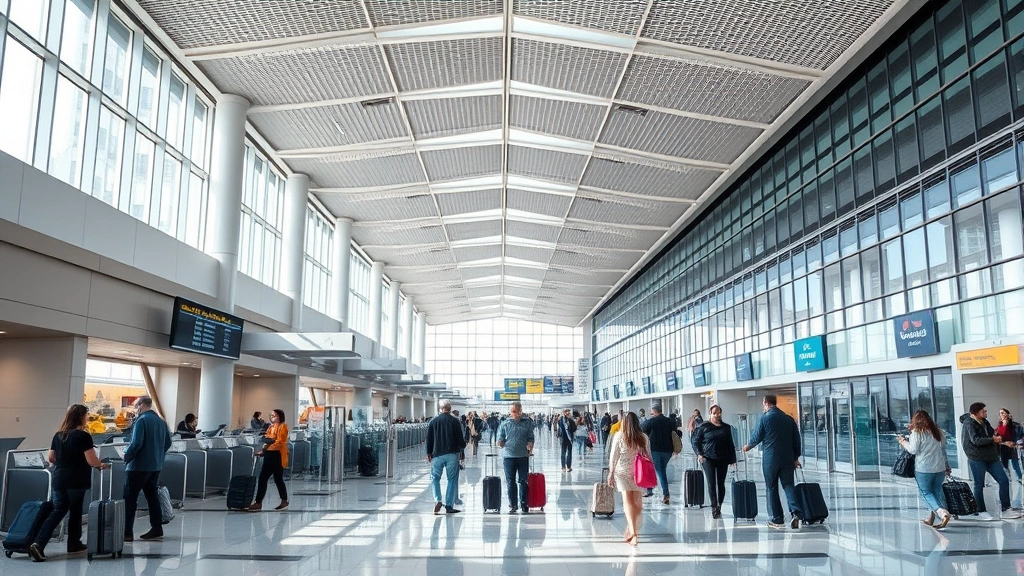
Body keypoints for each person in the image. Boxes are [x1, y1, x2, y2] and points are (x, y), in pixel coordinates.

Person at [27, 405, 110, 562]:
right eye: (86, 415)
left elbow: (51, 458)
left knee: (74, 511)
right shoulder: (83, 436)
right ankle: (38, 544)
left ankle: (74, 543)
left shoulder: (58, 435)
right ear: (80, 417)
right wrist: (101, 465)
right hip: (76, 481)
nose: (87, 418)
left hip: (60, 479)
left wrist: (66, 461)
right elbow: (91, 460)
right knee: (60, 511)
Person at [742, 394, 803, 529]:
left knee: (771, 487)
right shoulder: (789, 419)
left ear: (765, 402)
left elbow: (757, 436)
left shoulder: (765, 418)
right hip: (787, 459)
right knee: (788, 486)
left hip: (771, 459)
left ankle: (777, 519)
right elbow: (796, 440)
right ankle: (795, 511)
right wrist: (795, 458)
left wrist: (748, 446)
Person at [123, 396, 172, 541]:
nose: (135, 409)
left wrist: (126, 456)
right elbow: (168, 443)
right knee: (152, 497)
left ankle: (127, 532)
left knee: (130, 499)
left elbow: (136, 443)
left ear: (142, 405)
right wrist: (157, 454)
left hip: (138, 467)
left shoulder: (142, 421)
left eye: (136, 405)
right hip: (155, 466)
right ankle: (157, 528)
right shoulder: (161, 422)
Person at [960, 402, 1020, 520]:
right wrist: (992, 439)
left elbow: (994, 434)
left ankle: (1006, 509)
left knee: (1003, 480)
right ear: (975, 413)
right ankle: (980, 510)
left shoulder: (985, 422)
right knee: (979, 484)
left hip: (991, 457)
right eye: (984, 411)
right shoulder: (969, 423)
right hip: (976, 458)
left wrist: (1000, 436)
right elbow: (975, 440)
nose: (986, 413)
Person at [898, 410, 952, 529]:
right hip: (940, 467)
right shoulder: (938, 432)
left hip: (924, 468)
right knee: (936, 492)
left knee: (925, 493)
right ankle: (932, 518)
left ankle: (941, 513)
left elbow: (913, 450)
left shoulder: (917, 433)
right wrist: (947, 466)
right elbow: (943, 451)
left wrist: (903, 442)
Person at [608, 412, 650, 547]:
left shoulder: (619, 436)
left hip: (622, 472)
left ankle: (633, 532)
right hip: (639, 473)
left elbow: (614, 455)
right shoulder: (643, 437)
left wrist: (611, 472)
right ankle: (632, 530)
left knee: (628, 502)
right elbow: (648, 455)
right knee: (637, 504)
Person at [692, 405, 737, 519]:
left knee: (721, 483)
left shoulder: (726, 428)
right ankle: (713, 507)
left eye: (719, 413)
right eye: (714, 413)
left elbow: (730, 444)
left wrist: (733, 459)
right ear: (710, 414)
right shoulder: (704, 426)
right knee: (711, 483)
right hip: (708, 459)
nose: (717, 415)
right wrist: (699, 454)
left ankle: (719, 505)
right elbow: (696, 441)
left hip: (723, 458)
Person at [426, 399, 466, 514]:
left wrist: (428, 453)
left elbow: (429, 438)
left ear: (440, 408)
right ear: (450, 408)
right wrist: (462, 450)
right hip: (452, 454)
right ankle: (449, 506)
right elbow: (460, 440)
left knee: (435, 478)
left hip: (436, 455)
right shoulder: (455, 421)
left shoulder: (433, 421)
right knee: (451, 480)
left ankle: (438, 500)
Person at [496, 402, 535, 514]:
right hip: (509, 457)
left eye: (516, 411)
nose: (513, 413)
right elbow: (500, 437)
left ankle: (524, 504)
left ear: (520, 411)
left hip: (523, 456)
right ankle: (513, 504)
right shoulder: (505, 424)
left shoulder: (527, 423)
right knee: (510, 481)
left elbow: (531, 436)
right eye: (512, 411)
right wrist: (500, 442)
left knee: (523, 481)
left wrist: (530, 444)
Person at [248, 409, 290, 511]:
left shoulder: (283, 427)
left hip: (277, 455)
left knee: (272, 478)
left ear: (280, 416)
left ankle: (261, 502)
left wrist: (269, 446)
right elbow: (267, 439)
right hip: (269, 454)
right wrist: (263, 449)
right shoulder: (271, 427)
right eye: (271, 415)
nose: (272, 417)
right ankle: (261, 502)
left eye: (274, 415)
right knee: (269, 478)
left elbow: (280, 442)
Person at [640, 403, 677, 504]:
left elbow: (642, 429)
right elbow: (676, 433)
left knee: (660, 471)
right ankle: (649, 489)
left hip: (655, 449)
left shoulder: (651, 421)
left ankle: (665, 494)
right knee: (657, 469)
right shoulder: (669, 421)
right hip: (668, 450)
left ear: (654, 411)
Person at [995, 408, 1022, 484]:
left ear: (1008, 414)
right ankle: (1007, 479)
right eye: (1000, 413)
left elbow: (1018, 435)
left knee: (1015, 464)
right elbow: (996, 438)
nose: (1001, 415)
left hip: (1012, 447)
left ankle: (1020, 478)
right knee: (1004, 464)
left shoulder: (1013, 425)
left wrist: (1015, 443)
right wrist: (1004, 443)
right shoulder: (999, 426)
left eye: (1003, 413)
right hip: (1003, 447)